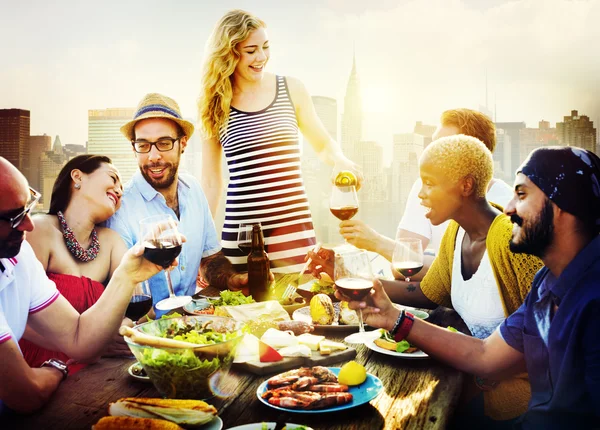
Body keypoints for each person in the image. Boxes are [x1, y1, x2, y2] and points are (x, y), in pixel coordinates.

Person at [341, 146, 600, 428]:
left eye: (522, 194)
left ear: (563, 205)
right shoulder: (545, 284)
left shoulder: (593, 299)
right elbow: (485, 354)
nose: (509, 207)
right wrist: (393, 318)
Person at [313, 135, 543, 425]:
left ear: (466, 185)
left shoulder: (510, 240)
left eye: (429, 182)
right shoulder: (456, 233)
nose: (420, 194)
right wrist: (355, 279)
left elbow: (545, 337)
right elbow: (425, 291)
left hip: (516, 405)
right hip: (466, 379)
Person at [0, 157, 170, 414]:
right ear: (77, 177)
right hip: (36, 371)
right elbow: (27, 391)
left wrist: (128, 281)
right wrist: (59, 365)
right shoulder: (38, 233)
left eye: (27, 208)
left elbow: (80, 337)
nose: (28, 224)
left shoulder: (18, 253)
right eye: (14, 217)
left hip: (85, 364)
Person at [198, 9, 362, 274]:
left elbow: (322, 144)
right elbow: (211, 183)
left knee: (299, 312)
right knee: (242, 315)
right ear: (229, 53)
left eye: (265, 47)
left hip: (294, 234)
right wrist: (201, 243)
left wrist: (340, 159)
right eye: (251, 50)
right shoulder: (213, 106)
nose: (261, 57)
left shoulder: (291, 89)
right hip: (241, 243)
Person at [105, 93, 245, 315]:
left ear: (183, 144)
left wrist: (232, 279)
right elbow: (119, 292)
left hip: (195, 320)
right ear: (134, 149)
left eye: (164, 143)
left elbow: (210, 259)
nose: (153, 156)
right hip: (147, 333)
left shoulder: (194, 190)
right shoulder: (120, 208)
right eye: (143, 145)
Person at [340, 108, 512, 281]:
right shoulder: (425, 188)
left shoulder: (507, 207)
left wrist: (377, 243)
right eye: (432, 145)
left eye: (444, 146)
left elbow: (468, 280)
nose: (432, 154)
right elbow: (401, 270)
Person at [19, 155, 131, 370]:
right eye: (113, 178)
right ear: (77, 177)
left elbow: (131, 307)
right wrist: (86, 344)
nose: (119, 190)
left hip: (95, 369)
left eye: (122, 188)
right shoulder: (38, 230)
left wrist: (123, 327)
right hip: (38, 367)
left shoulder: (112, 242)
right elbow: (14, 313)